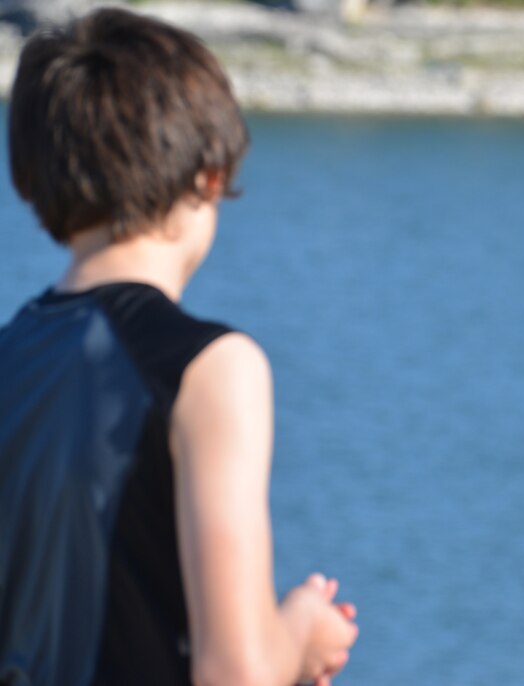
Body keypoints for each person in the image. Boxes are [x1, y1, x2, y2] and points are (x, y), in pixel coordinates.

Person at [0, 8, 358, 685]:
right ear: (210, 175)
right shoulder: (211, 370)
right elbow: (238, 675)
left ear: (33, 179)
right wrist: (302, 635)